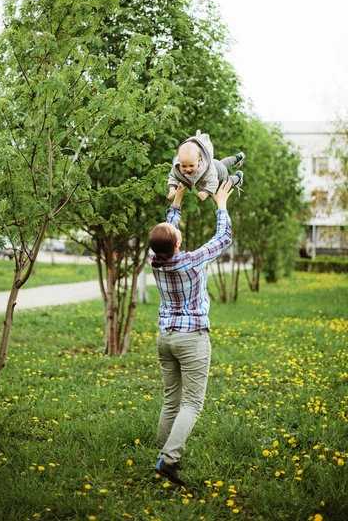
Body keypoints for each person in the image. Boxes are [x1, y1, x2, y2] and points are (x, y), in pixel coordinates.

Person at [149, 181, 234, 486]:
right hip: (192, 338)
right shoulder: (190, 260)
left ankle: (162, 452)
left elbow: (164, 232)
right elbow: (223, 238)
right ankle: (169, 459)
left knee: (171, 399)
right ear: (176, 245)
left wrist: (179, 197)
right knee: (192, 404)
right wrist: (221, 203)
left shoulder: (155, 260)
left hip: (165, 338)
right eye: (177, 237)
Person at [167, 130, 245, 201]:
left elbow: (214, 182)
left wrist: (206, 192)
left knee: (226, 184)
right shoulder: (177, 167)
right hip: (215, 164)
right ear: (179, 162)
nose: (188, 169)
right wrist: (172, 189)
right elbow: (173, 176)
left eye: (191, 166)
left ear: (199, 161)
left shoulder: (206, 171)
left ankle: (238, 177)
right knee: (220, 164)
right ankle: (236, 158)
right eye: (184, 166)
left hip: (219, 176)